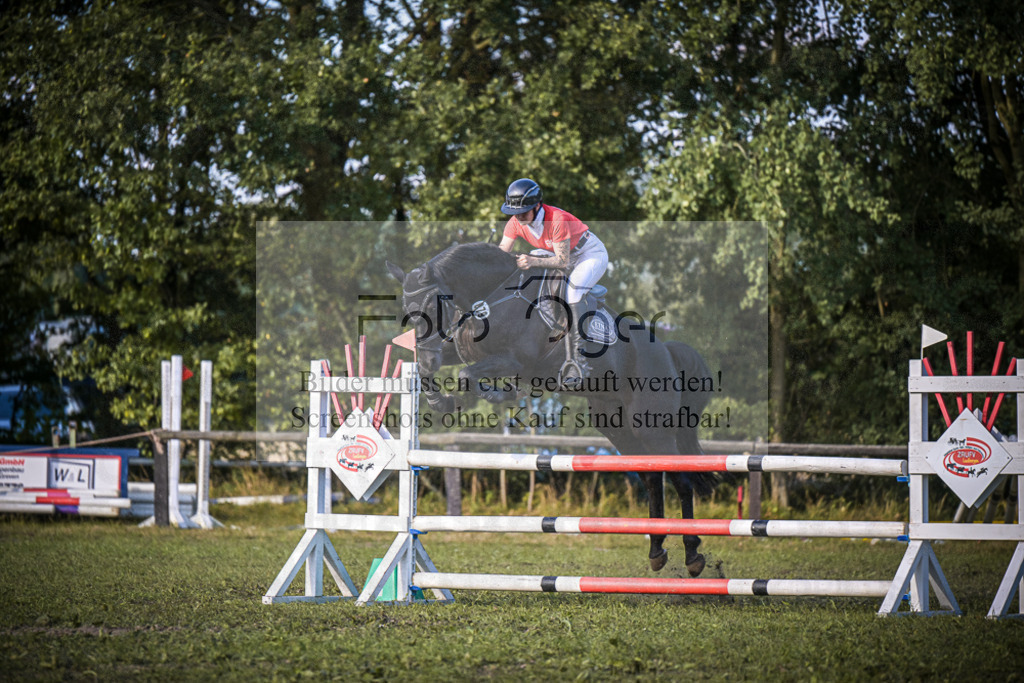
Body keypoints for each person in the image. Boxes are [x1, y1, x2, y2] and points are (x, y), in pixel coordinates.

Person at [497, 178, 609, 388]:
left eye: (524, 212)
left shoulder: (556, 219)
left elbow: (562, 261)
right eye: (515, 212)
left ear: (537, 206)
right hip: (555, 253)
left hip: (588, 254)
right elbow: (502, 252)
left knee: (574, 293)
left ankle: (578, 359)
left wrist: (532, 261)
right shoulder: (515, 222)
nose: (519, 217)